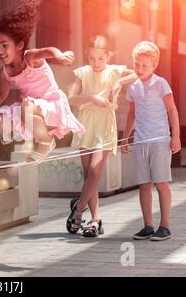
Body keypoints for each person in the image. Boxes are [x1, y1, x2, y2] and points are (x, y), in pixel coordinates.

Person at [0, 0, 85, 162]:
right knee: (0, 122)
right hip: (30, 110)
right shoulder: (4, 73)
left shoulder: (29, 57)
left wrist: (60, 55)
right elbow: (1, 94)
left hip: (51, 102)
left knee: (26, 106)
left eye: (4, 45)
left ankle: (46, 142)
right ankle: (31, 134)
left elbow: (48, 51)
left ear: (19, 45)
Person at [66, 35, 137, 237]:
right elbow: (71, 98)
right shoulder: (82, 73)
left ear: (108, 55)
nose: (96, 63)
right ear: (87, 55)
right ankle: (95, 219)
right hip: (86, 122)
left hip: (105, 123)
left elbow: (136, 74)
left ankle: (78, 211)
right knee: (89, 173)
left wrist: (118, 83)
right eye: (92, 58)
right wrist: (92, 98)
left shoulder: (114, 71)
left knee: (96, 170)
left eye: (101, 58)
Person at [123, 41, 181, 241]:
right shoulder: (133, 87)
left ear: (154, 65)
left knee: (161, 183)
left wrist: (176, 136)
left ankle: (165, 226)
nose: (139, 69)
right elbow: (132, 113)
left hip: (159, 141)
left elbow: (172, 110)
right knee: (144, 185)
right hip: (140, 142)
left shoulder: (160, 83)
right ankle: (148, 225)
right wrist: (126, 137)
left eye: (144, 65)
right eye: (136, 64)